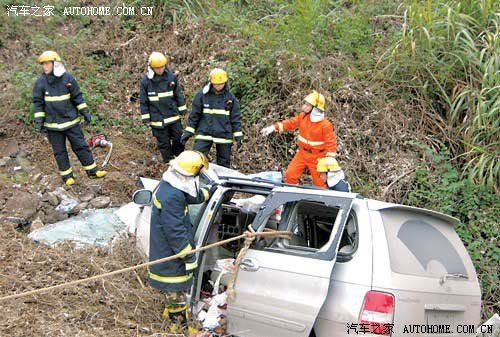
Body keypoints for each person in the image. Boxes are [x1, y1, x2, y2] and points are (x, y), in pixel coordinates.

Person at [149, 150, 215, 334]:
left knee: (173, 291)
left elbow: (189, 194)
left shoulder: (171, 183)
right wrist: (188, 256)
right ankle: (180, 328)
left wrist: (207, 194)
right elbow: (175, 232)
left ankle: (169, 312)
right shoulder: (171, 197)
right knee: (175, 291)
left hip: (167, 250)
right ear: (191, 172)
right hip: (169, 254)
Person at [33, 51, 106, 186]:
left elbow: (77, 96)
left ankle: (93, 171)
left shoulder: (68, 79)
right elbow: (38, 103)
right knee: (59, 152)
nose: (44, 66)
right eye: (43, 64)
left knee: (81, 147)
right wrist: (39, 121)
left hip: (71, 122)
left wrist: (84, 111)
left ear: (55, 63)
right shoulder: (40, 83)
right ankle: (67, 177)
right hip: (53, 126)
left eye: (47, 63)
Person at [261, 91, 336, 187]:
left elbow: (331, 143)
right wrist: (273, 127)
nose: (304, 106)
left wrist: (329, 159)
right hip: (302, 154)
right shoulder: (303, 117)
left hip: (318, 157)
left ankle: (324, 201)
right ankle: (294, 197)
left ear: (315, 108)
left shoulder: (325, 125)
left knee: (321, 183)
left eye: (308, 105)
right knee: (290, 175)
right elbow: (291, 123)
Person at [180, 68, 242, 168]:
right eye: (217, 84)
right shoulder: (202, 96)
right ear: (211, 82)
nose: (219, 86)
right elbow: (195, 116)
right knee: (196, 160)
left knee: (223, 165)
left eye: (221, 83)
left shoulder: (230, 98)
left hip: (224, 135)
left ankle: (222, 182)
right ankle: (196, 180)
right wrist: (188, 132)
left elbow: (235, 118)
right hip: (204, 133)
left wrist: (238, 136)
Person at [140, 52, 187, 163]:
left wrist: (182, 109)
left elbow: (178, 94)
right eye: (157, 68)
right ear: (152, 67)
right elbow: (144, 101)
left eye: (162, 67)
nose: (160, 70)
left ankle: (179, 157)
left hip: (173, 116)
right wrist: (146, 118)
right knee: (163, 142)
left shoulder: (171, 77)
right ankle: (168, 161)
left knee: (179, 138)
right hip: (158, 119)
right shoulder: (146, 82)